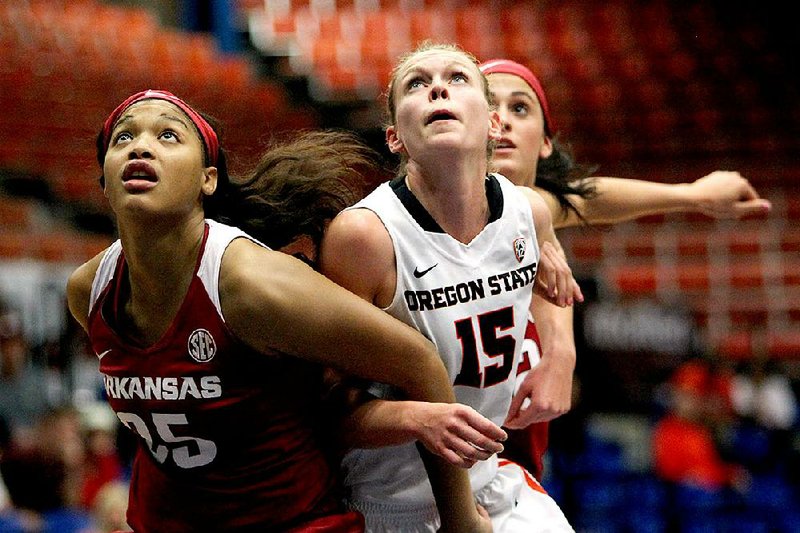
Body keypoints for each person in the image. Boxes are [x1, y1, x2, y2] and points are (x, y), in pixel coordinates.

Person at [65, 89, 505, 532]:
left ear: (208, 180)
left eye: (167, 135)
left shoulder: (252, 285)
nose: (140, 146)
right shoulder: (89, 291)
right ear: (104, 181)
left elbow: (420, 362)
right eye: (123, 138)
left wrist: (460, 520)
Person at [319, 42, 582, 532]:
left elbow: (549, 261)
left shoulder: (529, 213)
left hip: (490, 482)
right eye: (417, 83)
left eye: (458, 78)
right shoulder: (365, 237)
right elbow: (325, 414)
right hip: (387, 499)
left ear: (493, 125)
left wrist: (560, 351)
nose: (438, 86)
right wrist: (419, 419)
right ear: (395, 137)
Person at [477, 58, 773, 478]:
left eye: (520, 108)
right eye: (488, 107)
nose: (502, 120)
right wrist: (562, 348)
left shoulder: (536, 221)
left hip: (510, 470)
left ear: (546, 143)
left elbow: (571, 200)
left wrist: (692, 196)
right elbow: (574, 202)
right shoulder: (432, 215)